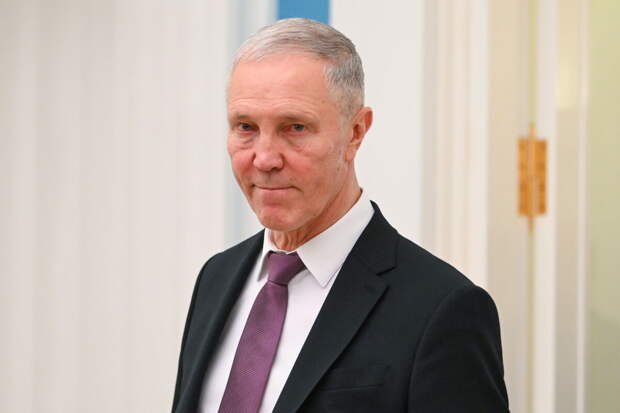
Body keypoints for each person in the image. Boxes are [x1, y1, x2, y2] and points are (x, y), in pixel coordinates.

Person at [172, 18, 509, 413]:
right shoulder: (217, 277)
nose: (264, 158)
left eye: (295, 127)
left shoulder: (442, 309)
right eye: (245, 127)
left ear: (356, 132)